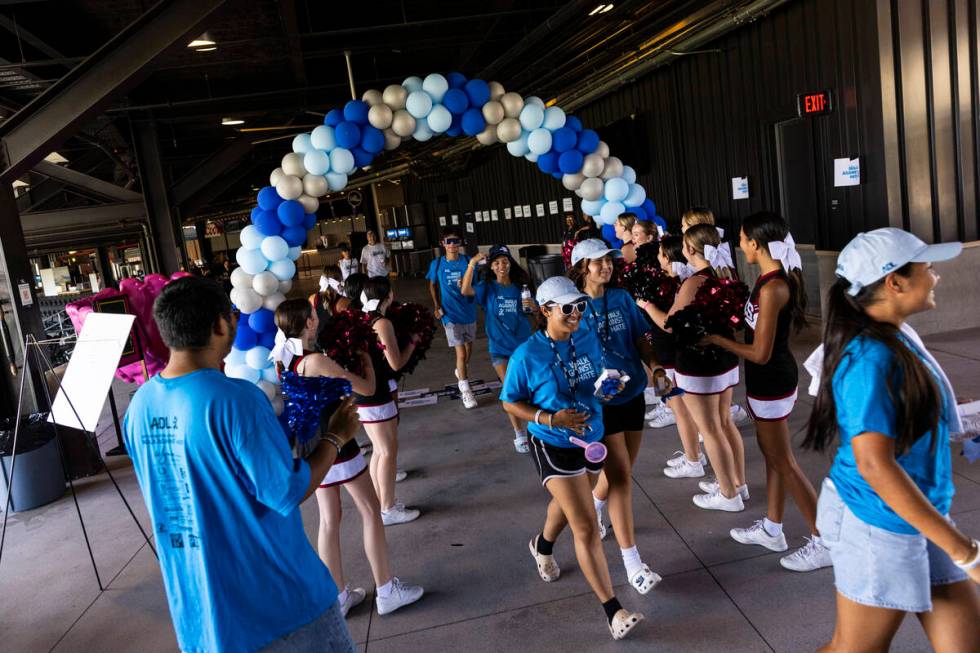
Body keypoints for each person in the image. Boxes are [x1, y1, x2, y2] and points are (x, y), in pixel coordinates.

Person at [122, 277, 360, 652]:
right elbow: (286, 490)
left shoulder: (139, 407)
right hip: (280, 606)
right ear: (219, 324)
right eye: (231, 316)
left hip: (203, 614)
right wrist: (335, 437)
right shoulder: (236, 399)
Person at [803, 228, 980, 652]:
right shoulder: (871, 357)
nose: (935, 276)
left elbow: (903, 409)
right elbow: (874, 464)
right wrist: (965, 552)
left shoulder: (894, 336)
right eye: (927, 268)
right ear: (893, 282)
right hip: (876, 522)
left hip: (919, 512)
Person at [501, 276, 644, 641]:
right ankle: (614, 610)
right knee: (584, 524)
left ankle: (542, 545)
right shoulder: (526, 355)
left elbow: (592, 378)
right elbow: (509, 401)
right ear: (545, 310)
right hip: (552, 441)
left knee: (568, 505)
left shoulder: (586, 337)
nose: (577, 314)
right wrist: (550, 418)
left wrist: (609, 387)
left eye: (580, 306)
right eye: (568, 308)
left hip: (592, 437)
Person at [273, 299, 424, 618]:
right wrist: (365, 355)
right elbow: (367, 389)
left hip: (311, 448)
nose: (319, 317)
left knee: (330, 519)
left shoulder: (284, 357)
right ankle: (386, 590)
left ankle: (338, 595)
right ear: (309, 323)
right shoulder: (316, 361)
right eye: (314, 315)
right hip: (338, 445)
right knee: (370, 510)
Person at [705, 212, 830, 571]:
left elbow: (760, 351)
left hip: (772, 380)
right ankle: (773, 528)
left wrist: (720, 342)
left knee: (784, 462)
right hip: (766, 381)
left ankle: (825, 540)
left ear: (756, 244)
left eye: (742, 239)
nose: (739, 245)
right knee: (773, 455)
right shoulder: (766, 280)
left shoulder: (775, 287)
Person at [567, 239, 668, 592]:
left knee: (623, 470)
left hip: (634, 392)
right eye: (597, 263)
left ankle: (595, 503)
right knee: (622, 478)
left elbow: (641, 337)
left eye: (608, 261)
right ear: (581, 267)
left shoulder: (622, 298)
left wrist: (654, 368)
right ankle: (632, 564)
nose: (605, 267)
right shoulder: (571, 308)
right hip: (600, 404)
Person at [639, 224, 747, 511]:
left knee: (710, 429)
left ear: (688, 249)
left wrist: (646, 305)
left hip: (700, 364)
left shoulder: (694, 281)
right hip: (724, 359)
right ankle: (738, 484)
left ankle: (728, 494)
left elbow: (669, 325)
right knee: (723, 424)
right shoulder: (724, 273)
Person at [460, 244, 535, 453]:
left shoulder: (521, 286)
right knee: (510, 390)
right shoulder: (487, 287)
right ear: (491, 266)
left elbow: (533, 309)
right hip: (499, 348)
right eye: (497, 262)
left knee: (530, 389)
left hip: (522, 346)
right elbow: (466, 290)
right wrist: (473, 264)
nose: (502, 265)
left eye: (505, 261)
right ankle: (519, 434)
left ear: (510, 263)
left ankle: (535, 427)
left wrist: (535, 306)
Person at [359, 276, 421, 525]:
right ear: (389, 295)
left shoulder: (363, 317)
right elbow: (396, 363)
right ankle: (387, 508)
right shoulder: (382, 322)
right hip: (378, 394)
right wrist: (413, 342)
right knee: (387, 451)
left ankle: (381, 502)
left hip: (366, 394)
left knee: (379, 451)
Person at [645, 235, 705, 478]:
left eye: (660, 253)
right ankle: (693, 453)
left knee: (680, 411)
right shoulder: (669, 281)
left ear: (668, 258)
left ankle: (693, 460)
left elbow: (668, 323)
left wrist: (646, 305)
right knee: (673, 405)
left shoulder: (677, 286)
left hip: (669, 357)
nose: (658, 258)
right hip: (662, 355)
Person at [426, 227, 479, 409]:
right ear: (443, 244)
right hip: (449, 314)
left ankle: (460, 371)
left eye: (456, 241)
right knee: (461, 353)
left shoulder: (467, 261)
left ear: (460, 243)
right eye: (449, 241)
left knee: (468, 350)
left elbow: (476, 284)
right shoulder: (438, 264)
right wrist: (436, 305)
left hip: (469, 311)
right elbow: (432, 285)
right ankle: (466, 390)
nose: (452, 245)